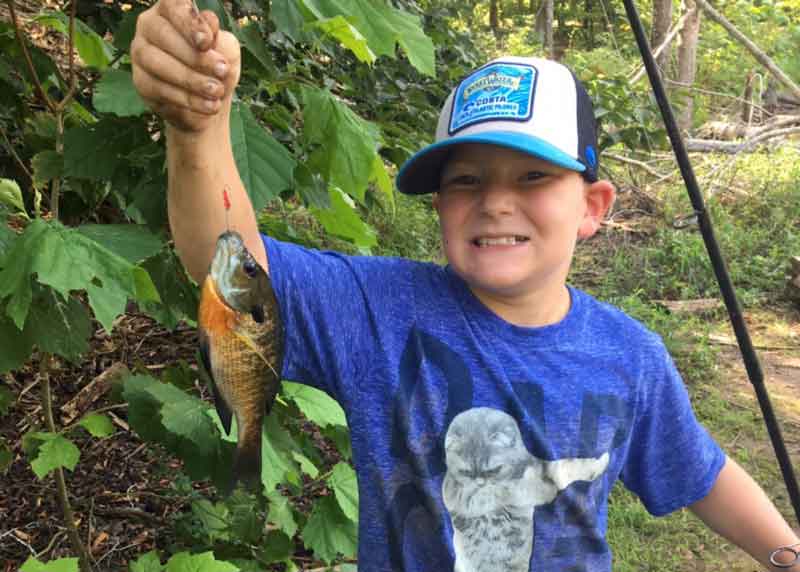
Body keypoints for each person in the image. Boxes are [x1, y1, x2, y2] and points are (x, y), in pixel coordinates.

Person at [130, 1, 800, 570]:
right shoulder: (379, 309)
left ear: (593, 207)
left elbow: (700, 474)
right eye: (466, 180)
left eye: (533, 177)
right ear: (441, 205)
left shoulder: (631, 355)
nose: (495, 203)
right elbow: (229, 266)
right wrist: (199, 131)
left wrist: (783, 552)